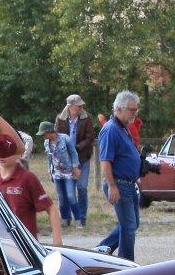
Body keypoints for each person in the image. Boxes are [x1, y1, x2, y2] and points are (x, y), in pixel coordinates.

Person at [95, 91, 142, 261]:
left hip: (128, 184)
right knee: (129, 227)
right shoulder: (110, 129)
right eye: (132, 110)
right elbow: (105, 161)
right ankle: (126, 265)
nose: (135, 113)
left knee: (132, 224)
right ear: (119, 109)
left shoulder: (123, 127)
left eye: (136, 110)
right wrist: (112, 186)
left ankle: (102, 249)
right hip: (119, 184)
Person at [0, 151, 63, 246]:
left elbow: (51, 209)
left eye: (7, 151)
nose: (2, 155)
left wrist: (57, 241)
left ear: (19, 153)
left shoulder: (28, 179)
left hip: (25, 246)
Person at [55, 94, 93, 228]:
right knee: (67, 191)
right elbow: (57, 137)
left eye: (82, 105)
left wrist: (75, 148)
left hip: (83, 157)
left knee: (82, 187)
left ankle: (82, 218)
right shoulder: (60, 119)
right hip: (66, 160)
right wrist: (67, 150)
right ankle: (66, 218)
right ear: (70, 107)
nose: (81, 107)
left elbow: (90, 137)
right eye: (79, 105)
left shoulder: (87, 118)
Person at [38, 120, 81, 229]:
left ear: (49, 132)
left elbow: (73, 153)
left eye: (44, 134)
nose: (43, 136)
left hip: (68, 172)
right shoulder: (46, 143)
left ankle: (78, 220)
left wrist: (75, 167)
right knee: (61, 197)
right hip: (57, 173)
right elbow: (49, 158)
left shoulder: (65, 138)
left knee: (71, 196)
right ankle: (65, 219)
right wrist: (50, 171)